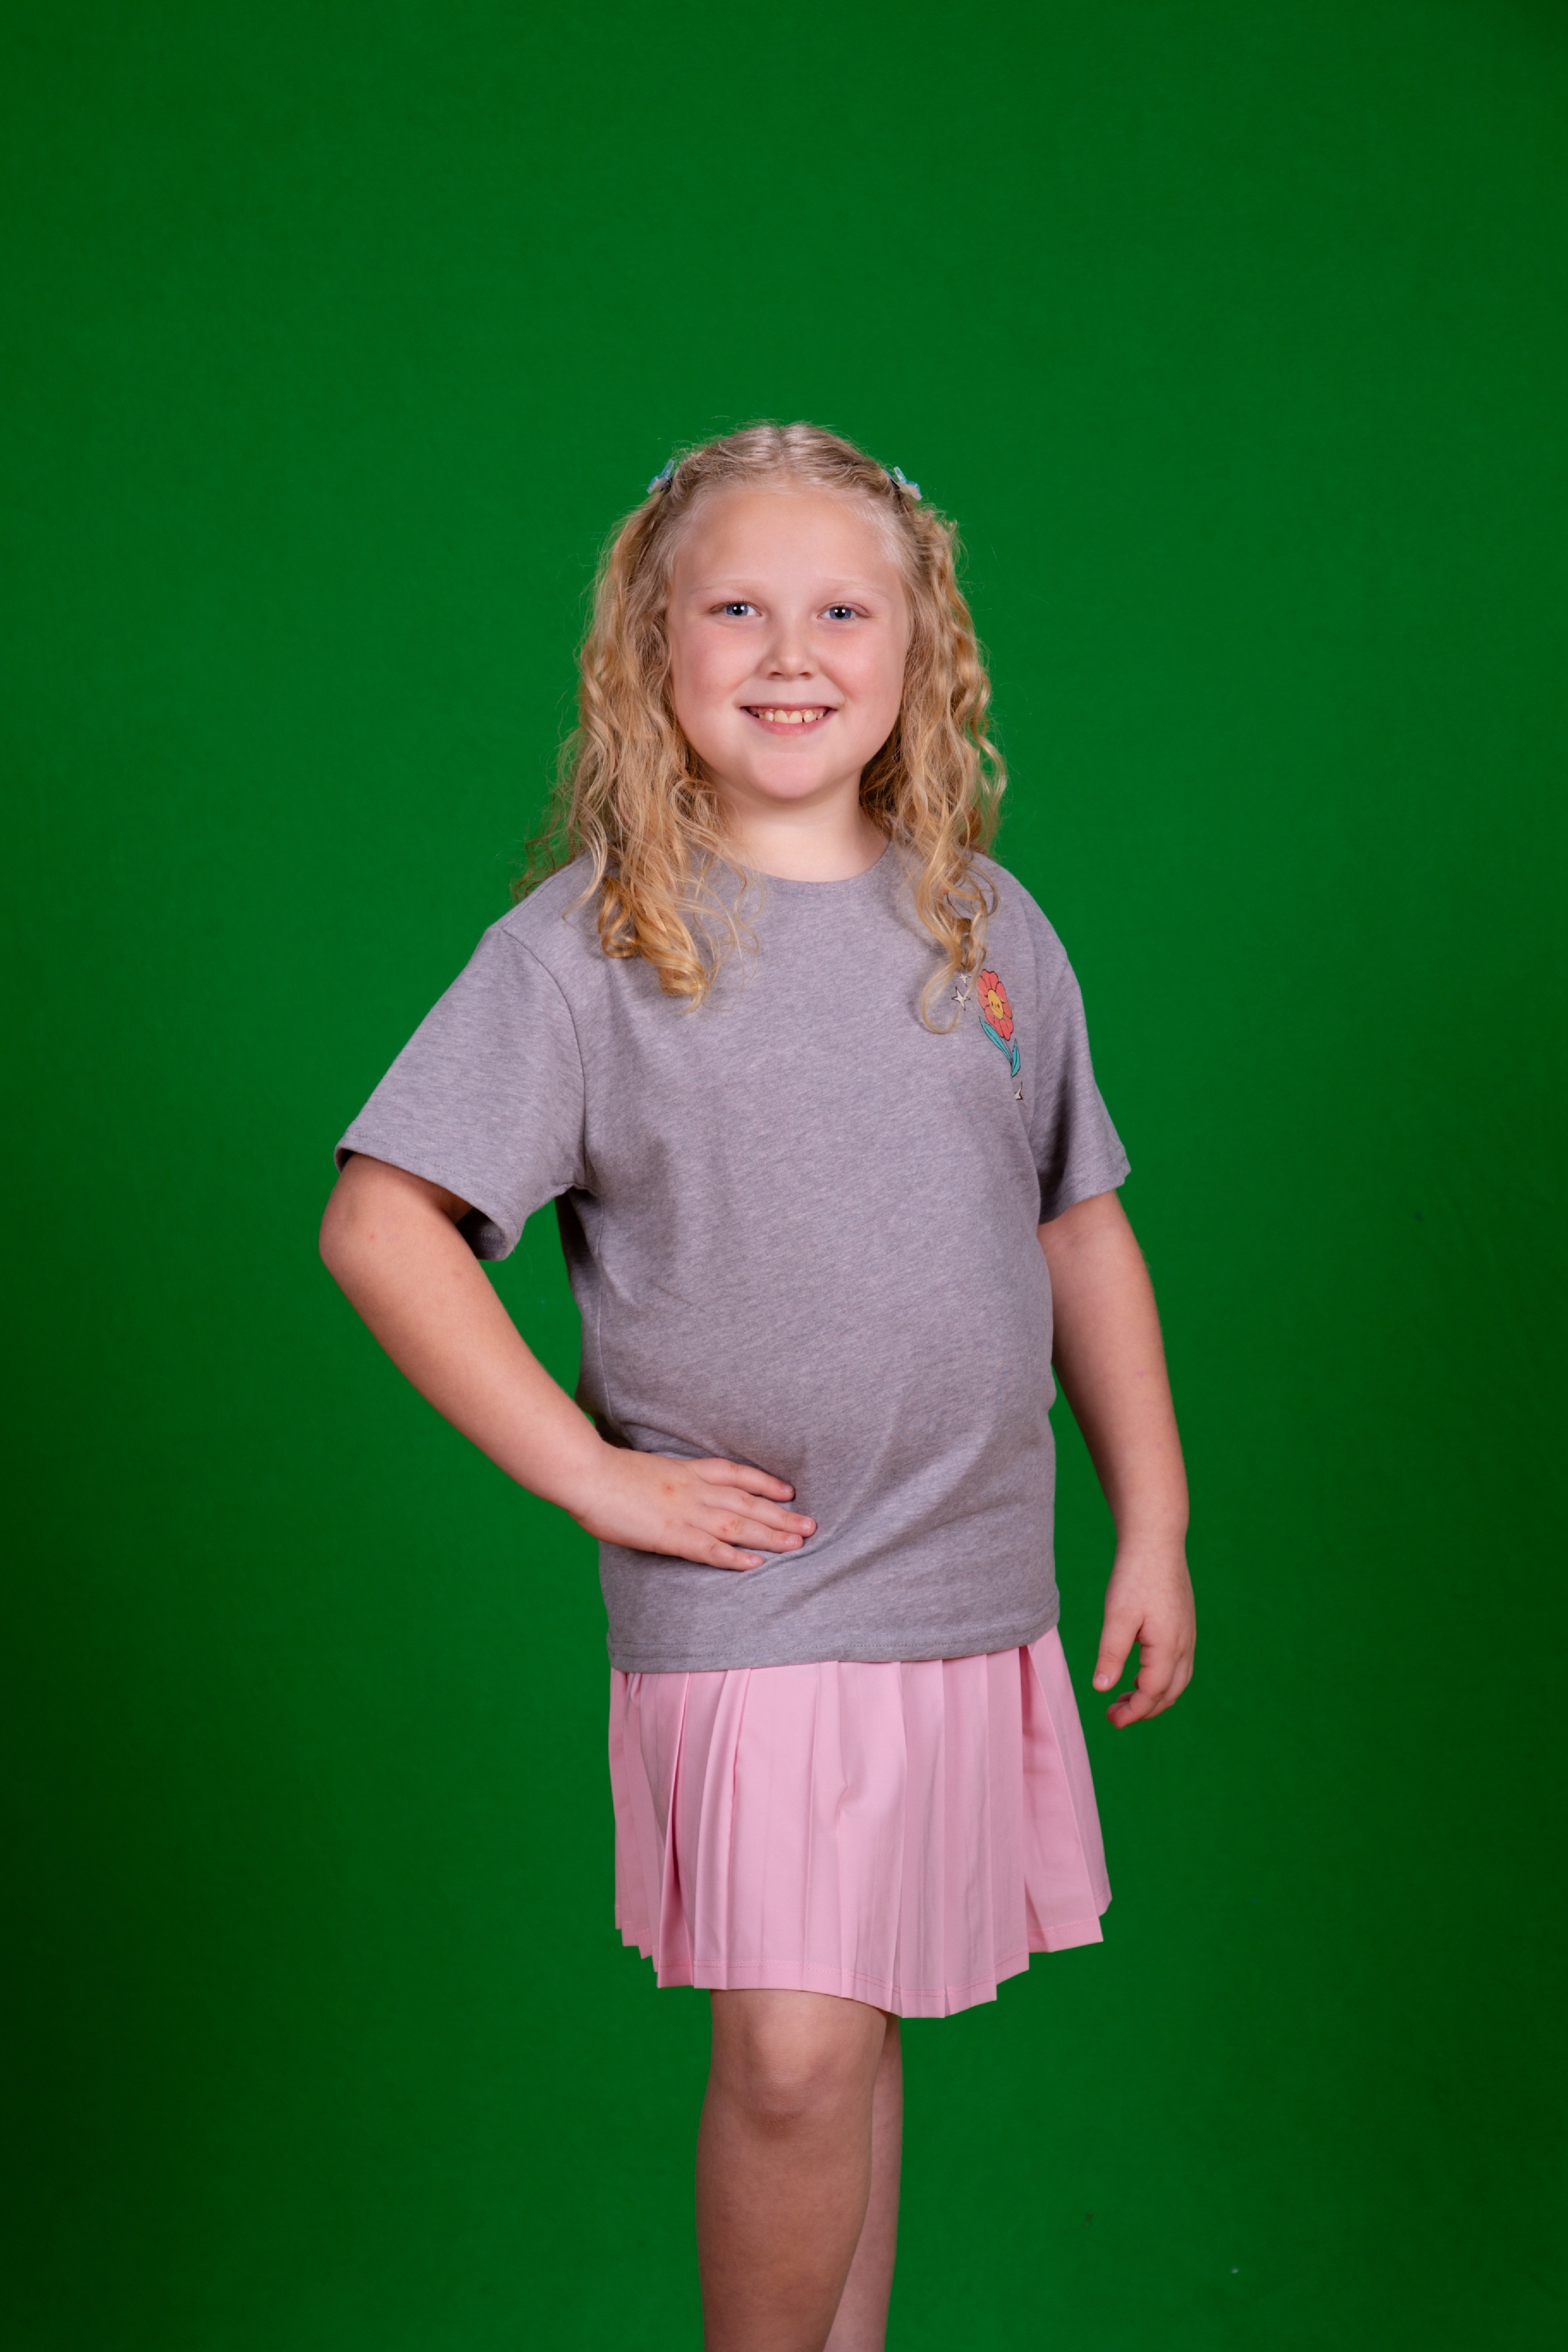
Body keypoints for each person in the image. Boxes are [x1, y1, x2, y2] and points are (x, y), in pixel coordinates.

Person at [320, 422, 1194, 2352]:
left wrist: (1158, 1516)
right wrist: (594, 1473)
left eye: (841, 612)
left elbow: (1078, 1227)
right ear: (651, 645)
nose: (790, 653)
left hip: (971, 1580)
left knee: (854, 2031)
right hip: (760, 1584)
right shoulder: (590, 948)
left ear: (920, 648)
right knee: (793, 2050)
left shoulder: (989, 924)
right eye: (735, 608)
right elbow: (383, 1226)